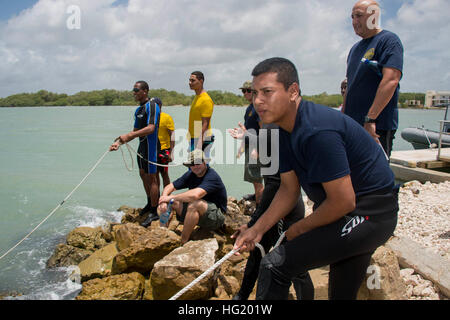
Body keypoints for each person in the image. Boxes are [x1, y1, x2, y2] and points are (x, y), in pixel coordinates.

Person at [233, 57, 399, 300]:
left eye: (267, 92)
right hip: (345, 213)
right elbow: (289, 190)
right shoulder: (279, 130)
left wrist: (300, 227)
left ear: (293, 92)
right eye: (255, 92)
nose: (258, 100)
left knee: (275, 265)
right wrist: (256, 229)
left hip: (370, 214)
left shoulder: (317, 130)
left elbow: (343, 201)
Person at [229, 121, 314, 301]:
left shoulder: (274, 150)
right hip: (278, 208)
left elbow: (273, 190)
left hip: (287, 211)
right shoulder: (273, 137)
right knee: (257, 254)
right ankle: (242, 296)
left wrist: (251, 226)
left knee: (296, 266)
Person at [342, 0, 403, 158]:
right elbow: (350, 86)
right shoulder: (354, 49)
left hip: (376, 125)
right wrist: (342, 119)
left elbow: (391, 80)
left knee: (377, 176)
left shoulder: (389, 41)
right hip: (352, 125)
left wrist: (370, 119)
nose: (355, 22)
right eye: (352, 17)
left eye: (359, 16)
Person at [110, 81, 161, 227]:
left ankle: (154, 211)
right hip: (142, 146)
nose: (134, 93)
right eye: (133, 90)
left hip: (151, 146)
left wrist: (129, 136)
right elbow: (134, 131)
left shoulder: (152, 106)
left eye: (136, 90)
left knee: (152, 178)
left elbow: (151, 128)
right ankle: (149, 202)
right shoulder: (138, 110)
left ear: (145, 91)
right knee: (142, 173)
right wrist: (119, 143)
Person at [158, 150, 227, 244]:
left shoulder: (212, 176)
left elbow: (196, 195)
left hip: (215, 217)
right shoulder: (191, 174)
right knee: (169, 203)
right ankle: (162, 233)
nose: (195, 166)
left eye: (198, 163)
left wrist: (170, 198)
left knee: (194, 204)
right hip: (197, 214)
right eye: (192, 164)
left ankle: (183, 241)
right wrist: (164, 200)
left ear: (204, 162)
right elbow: (170, 186)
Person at [234, 81, 264, 205]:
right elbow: (247, 129)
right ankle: (257, 196)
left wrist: (257, 149)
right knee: (254, 178)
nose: (245, 93)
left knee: (257, 178)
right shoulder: (250, 108)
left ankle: (260, 210)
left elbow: (263, 130)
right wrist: (241, 147)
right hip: (249, 145)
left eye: (248, 90)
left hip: (256, 147)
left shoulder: (259, 107)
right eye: (243, 91)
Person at [188, 71, 215, 157]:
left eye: (193, 80)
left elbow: (205, 124)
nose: (190, 83)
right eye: (189, 80)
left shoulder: (205, 100)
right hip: (194, 138)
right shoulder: (197, 97)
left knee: (200, 169)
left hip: (201, 140)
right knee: (194, 168)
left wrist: (199, 146)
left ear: (201, 81)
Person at [153, 97, 175, 188]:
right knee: (154, 174)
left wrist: (171, 153)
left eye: (153, 105)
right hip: (152, 149)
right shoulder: (150, 118)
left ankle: (167, 196)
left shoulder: (166, 117)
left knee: (164, 174)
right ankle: (157, 197)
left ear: (159, 106)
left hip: (164, 149)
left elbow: (172, 136)